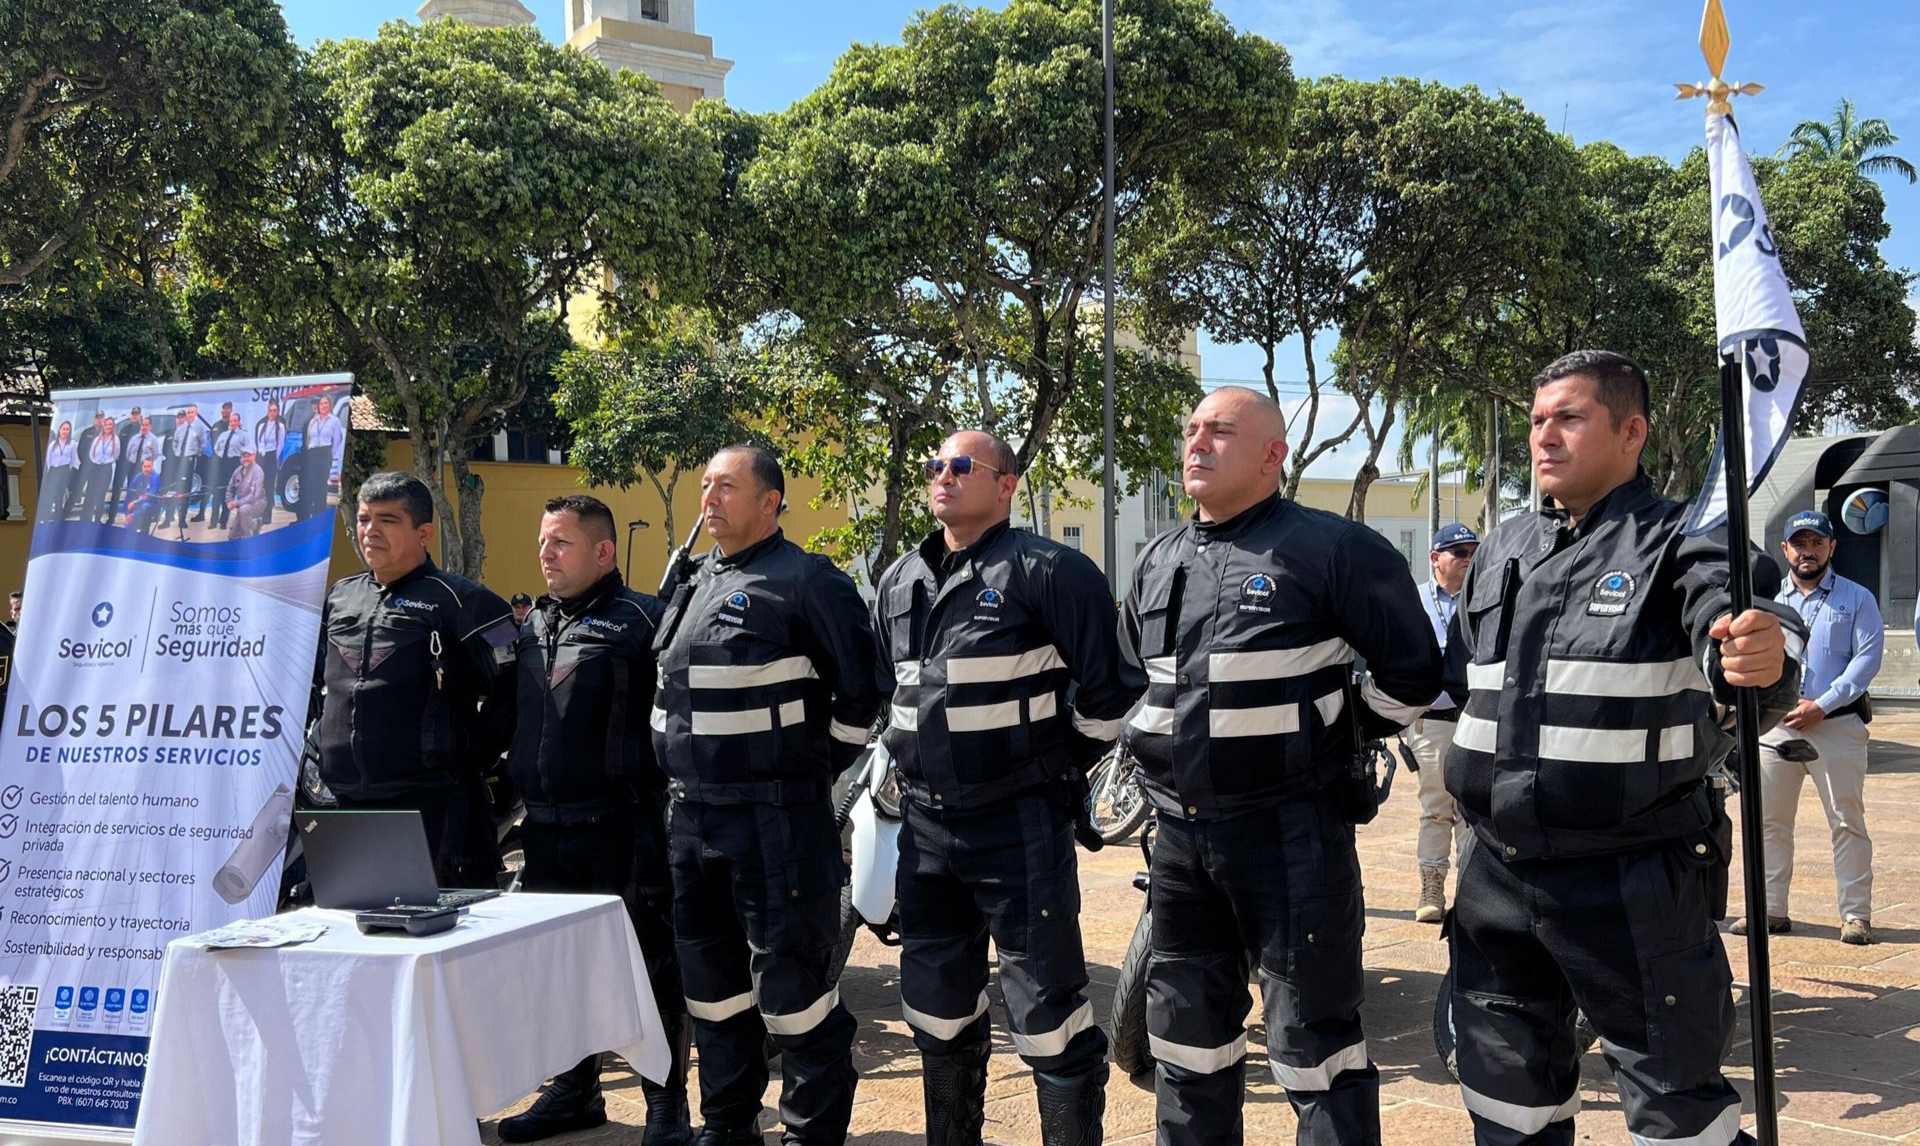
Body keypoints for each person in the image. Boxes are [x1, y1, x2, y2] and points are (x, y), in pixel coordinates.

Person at [1441, 350, 1801, 1146]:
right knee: (1508, 1108)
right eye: (1538, 420)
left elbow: (1741, 626)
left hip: (1631, 880)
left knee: (1677, 1116)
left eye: (1569, 418)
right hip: (1494, 878)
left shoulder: (1684, 537)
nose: (1545, 436)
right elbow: (1458, 681)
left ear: (1631, 430)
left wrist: (1759, 657)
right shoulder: (1500, 549)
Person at [1118, 387, 1441, 1146]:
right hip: (1179, 843)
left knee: (1313, 1046)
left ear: (1273, 455)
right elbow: (1141, 679)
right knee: (1186, 1039)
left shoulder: (1335, 548)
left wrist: (1335, 732)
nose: (1197, 442)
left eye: (1221, 431)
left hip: (1293, 838)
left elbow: (1413, 676)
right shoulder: (1157, 557)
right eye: (1192, 427)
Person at [874, 430, 1143, 1146]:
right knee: (935, 1006)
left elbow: (1110, 695)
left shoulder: (1051, 571)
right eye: (935, 465)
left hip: (1017, 824)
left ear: (1005, 484)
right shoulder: (901, 578)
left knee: (1049, 1013)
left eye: (961, 466)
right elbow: (890, 694)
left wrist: (1054, 765)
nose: (942, 476)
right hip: (925, 832)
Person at [651, 445, 884, 1146]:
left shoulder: (808, 581)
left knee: (795, 1002)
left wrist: (810, 770)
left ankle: (809, 1135)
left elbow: (861, 696)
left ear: (770, 501)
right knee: (715, 998)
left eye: (726, 486)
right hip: (691, 823)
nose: (710, 498)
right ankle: (728, 1131)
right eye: (704, 485)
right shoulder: (691, 583)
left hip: (776, 825)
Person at [497, 495, 690, 1145]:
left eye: (561, 543)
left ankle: (667, 1104)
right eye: (543, 542)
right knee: (558, 970)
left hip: (622, 826)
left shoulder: (644, 621)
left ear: (603, 552)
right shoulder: (530, 625)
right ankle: (573, 1092)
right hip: (545, 831)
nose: (546, 554)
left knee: (648, 969)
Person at [313, 472, 519, 887]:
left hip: (434, 805)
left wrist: (459, 754)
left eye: (387, 520)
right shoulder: (339, 597)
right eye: (364, 519)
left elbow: (513, 691)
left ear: (424, 532)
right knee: (356, 938)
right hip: (345, 801)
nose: (370, 531)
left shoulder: (468, 603)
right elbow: (314, 685)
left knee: (440, 939)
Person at [1729, 510, 1883, 946]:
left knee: (1846, 821)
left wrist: (1823, 703)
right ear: (1785, 550)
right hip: (1776, 726)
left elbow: (1866, 661)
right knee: (1768, 823)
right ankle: (1769, 910)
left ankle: (1855, 915)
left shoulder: (1857, 599)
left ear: (1831, 548)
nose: (1807, 552)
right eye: (1799, 544)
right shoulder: (1767, 604)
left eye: (1816, 543)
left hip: (1837, 725)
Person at [1405, 522, 1478, 924]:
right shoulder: (1413, 602)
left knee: (1471, 807)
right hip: (1431, 720)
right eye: (1459, 553)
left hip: (1473, 719)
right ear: (1435, 558)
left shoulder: (1482, 600)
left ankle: (1471, 888)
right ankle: (1431, 884)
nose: (1468, 560)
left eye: (1472, 553)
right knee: (1436, 807)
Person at [300, 395, 347, 521]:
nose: (323, 406)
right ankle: (311, 510)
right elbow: (309, 437)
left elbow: (337, 440)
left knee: (321, 484)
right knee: (312, 483)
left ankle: (319, 511)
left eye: (326, 403)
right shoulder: (314, 421)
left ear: (330, 405)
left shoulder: (334, 421)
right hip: (313, 453)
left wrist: (331, 454)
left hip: (325, 453)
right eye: (321, 404)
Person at [160, 404, 206, 528]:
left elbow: (203, 444)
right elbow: (175, 444)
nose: (190, 415)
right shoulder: (180, 429)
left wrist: (195, 454)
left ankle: (182, 519)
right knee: (172, 490)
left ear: (196, 414)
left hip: (189, 462)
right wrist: (177, 454)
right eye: (188, 413)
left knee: (185, 492)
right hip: (177, 461)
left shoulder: (199, 428)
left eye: (192, 412)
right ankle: (167, 519)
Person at [211, 412, 252, 530]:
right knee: (218, 492)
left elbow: (248, 449)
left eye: (235, 421)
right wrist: (220, 457)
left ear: (239, 422)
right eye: (231, 421)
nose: (233, 423)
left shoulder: (243, 435)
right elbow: (216, 447)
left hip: (234, 464)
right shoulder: (224, 435)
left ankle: (224, 521)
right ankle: (213, 521)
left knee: (229, 493)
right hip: (222, 464)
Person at [121, 415, 161, 525]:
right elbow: (128, 453)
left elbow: (155, 453)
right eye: (143, 425)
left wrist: (147, 464)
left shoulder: (153, 439)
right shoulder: (134, 438)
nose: (144, 427)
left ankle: (139, 518)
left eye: (146, 425)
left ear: (150, 427)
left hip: (148, 502)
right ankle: (131, 516)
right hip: (134, 466)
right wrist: (126, 512)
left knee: (145, 503)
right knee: (133, 491)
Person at [84, 413, 121, 524]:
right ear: (103, 426)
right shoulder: (97, 439)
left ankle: (97, 520)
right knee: (90, 494)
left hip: (106, 469)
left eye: (110, 425)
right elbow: (91, 454)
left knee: (100, 495)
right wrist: (97, 462)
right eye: (106, 425)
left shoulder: (116, 440)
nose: (108, 427)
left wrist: (106, 461)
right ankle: (86, 519)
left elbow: (116, 455)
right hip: (95, 468)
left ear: (113, 426)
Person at [254, 400, 287, 524]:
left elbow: (281, 444)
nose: (272, 413)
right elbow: (258, 442)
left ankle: (267, 515)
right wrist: (261, 454)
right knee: (260, 487)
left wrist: (274, 457)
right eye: (270, 410)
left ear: (277, 412)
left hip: (272, 457)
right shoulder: (262, 425)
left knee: (268, 487)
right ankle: (258, 513)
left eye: (275, 411)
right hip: (261, 457)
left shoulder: (280, 427)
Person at [225, 448, 268, 540]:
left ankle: (249, 538)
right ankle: (255, 524)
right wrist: (229, 501)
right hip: (243, 504)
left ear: (254, 456)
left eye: (249, 456)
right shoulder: (238, 471)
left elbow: (254, 496)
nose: (246, 459)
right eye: (244, 456)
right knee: (232, 536)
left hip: (258, 502)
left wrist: (237, 503)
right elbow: (230, 488)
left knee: (243, 510)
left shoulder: (258, 471)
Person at [40, 421, 78, 521]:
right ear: (59, 430)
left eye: (67, 429)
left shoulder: (72, 444)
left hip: (64, 470)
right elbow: (48, 459)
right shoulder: (53, 444)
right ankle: (46, 516)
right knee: (50, 493)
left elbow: (73, 459)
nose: (65, 431)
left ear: (69, 431)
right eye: (63, 429)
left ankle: (58, 517)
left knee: (60, 495)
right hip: (53, 470)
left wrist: (67, 470)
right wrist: (51, 470)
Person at [124, 458, 168, 534]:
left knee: (145, 507)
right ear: (142, 467)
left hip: (152, 504)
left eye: (148, 466)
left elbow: (150, 495)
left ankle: (143, 531)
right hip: (138, 505)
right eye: (145, 466)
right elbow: (129, 494)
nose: (146, 469)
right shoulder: (138, 477)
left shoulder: (155, 477)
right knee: (128, 523)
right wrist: (127, 514)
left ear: (152, 467)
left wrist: (135, 502)